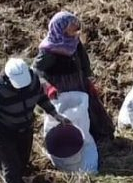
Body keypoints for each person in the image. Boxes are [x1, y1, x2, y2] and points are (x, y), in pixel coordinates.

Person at [0, 58, 69, 183]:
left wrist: (55, 114)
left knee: (22, 162)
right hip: (2, 130)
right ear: (8, 78)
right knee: (10, 168)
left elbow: (41, 97)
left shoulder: (33, 80)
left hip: (24, 127)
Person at [33, 11, 114, 143]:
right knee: (71, 114)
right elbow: (35, 71)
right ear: (61, 29)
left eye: (77, 29)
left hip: (79, 82)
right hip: (63, 89)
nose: (76, 32)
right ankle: (73, 140)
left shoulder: (74, 42)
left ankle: (101, 134)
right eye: (72, 29)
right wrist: (48, 88)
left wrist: (88, 80)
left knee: (91, 108)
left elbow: (83, 61)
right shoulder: (49, 51)